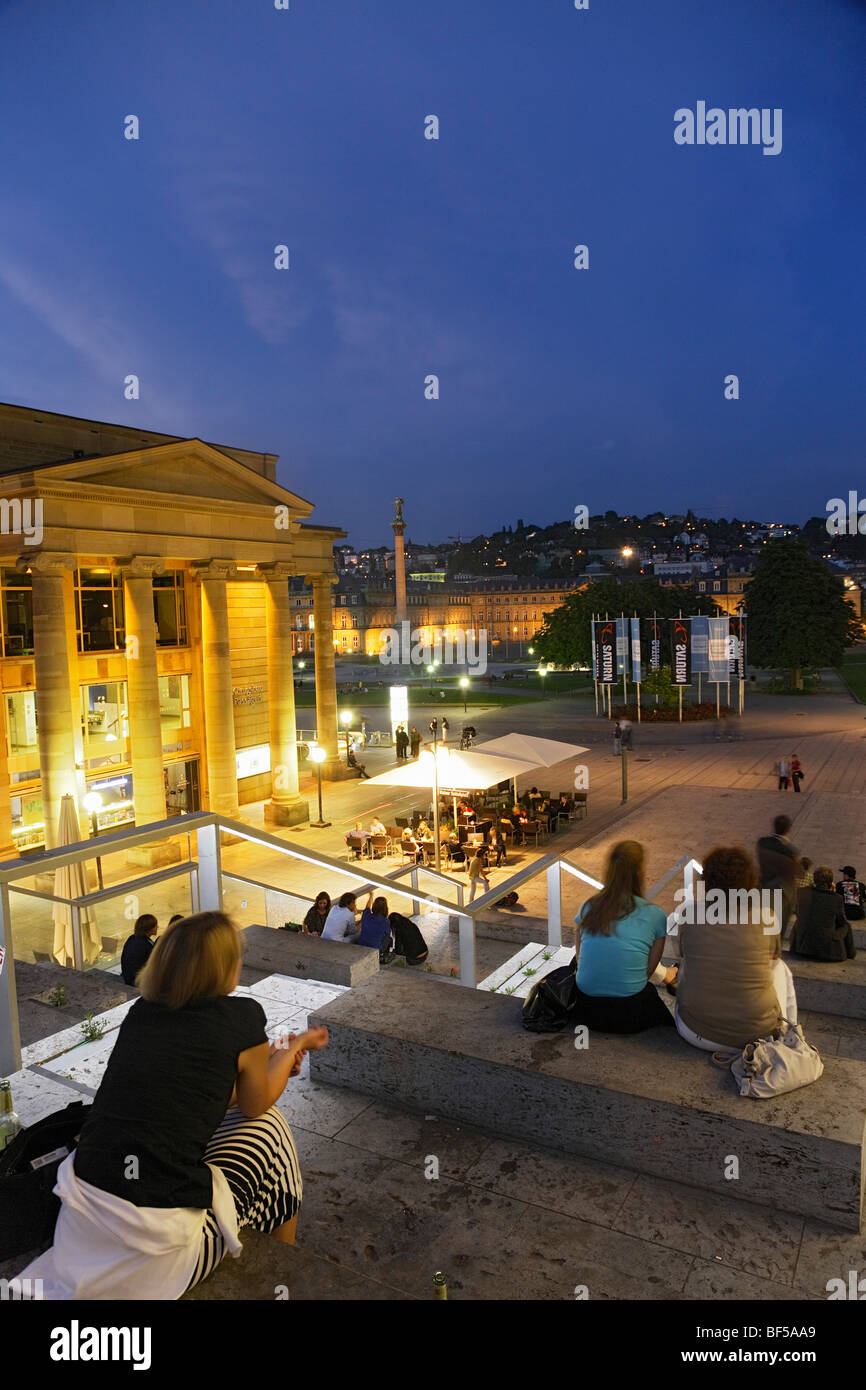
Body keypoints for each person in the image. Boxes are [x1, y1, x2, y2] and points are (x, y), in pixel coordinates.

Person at [20, 912, 328, 1299]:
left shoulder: (141, 1015)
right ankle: (282, 1269)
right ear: (223, 967)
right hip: (156, 1252)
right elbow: (255, 1102)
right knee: (273, 1133)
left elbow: (207, 1089)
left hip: (81, 1222)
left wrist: (276, 1052)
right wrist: (295, 1046)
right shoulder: (240, 1017)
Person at [675, 848, 789, 1057]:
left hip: (695, 1031)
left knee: (690, 962)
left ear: (707, 881)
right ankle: (787, 1031)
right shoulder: (767, 917)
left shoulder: (688, 914)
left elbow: (682, 955)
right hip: (757, 1034)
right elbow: (773, 959)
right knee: (781, 968)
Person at [572, 841, 676, 1033]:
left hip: (586, 1008)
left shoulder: (588, 906)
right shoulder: (655, 914)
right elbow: (646, 972)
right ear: (640, 873)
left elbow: (579, 959)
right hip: (628, 1013)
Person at [792, 866, 856, 962]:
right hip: (827, 952)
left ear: (814, 879)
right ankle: (851, 954)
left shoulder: (802, 892)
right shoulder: (836, 898)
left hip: (803, 948)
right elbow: (841, 921)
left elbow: (799, 914)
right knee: (846, 925)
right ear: (830, 882)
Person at [756, 815, 802, 945]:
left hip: (765, 888)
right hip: (783, 893)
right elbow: (798, 872)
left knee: (765, 924)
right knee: (778, 926)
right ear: (788, 829)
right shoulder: (790, 851)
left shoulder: (762, 842)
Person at [120, 913, 158, 986]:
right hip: (137, 981)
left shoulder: (132, 938)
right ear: (150, 929)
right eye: (155, 926)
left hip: (127, 977)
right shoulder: (147, 946)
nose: (157, 927)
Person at [356, 892, 393, 962]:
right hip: (375, 948)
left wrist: (371, 897)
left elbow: (367, 907)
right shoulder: (386, 921)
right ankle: (385, 954)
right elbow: (387, 934)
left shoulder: (366, 915)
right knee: (389, 938)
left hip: (361, 944)